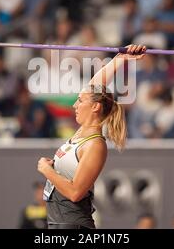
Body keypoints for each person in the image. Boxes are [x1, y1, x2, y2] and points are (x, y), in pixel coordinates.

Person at [37, 44, 146, 229]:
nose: (74, 105)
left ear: (95, 107)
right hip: (58, 224)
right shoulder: (81, 133)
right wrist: (121, 58)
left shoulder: (95, 144)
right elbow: (95, 87)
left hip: (73, 226)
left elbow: (75, 193)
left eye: (80, 100)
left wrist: (48, 171)